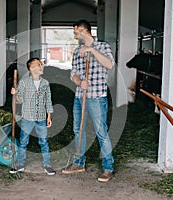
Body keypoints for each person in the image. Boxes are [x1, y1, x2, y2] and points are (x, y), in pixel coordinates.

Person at [62, 19, 115, 182]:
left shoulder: (103, 46)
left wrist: (91, 50)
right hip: (80, 96)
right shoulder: (77, 50)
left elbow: (109, 64)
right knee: (78, 130)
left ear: (84, 31)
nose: (75, 35)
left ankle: (108, 167)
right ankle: (79, 163)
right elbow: (74, 73)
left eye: (76, 32)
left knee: (101, 132)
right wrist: (79, 82)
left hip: (97, 97)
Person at [9, 57, 56, 176]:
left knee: (44, 141)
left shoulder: (45, 83)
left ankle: (47, 164)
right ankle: (20, 164)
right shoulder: (24, 82)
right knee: (23, 141)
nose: (41, 66)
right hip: (27, 118)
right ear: (31, 68)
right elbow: (19, 100)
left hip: (41, 118)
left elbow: (48, 100)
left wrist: (49, 116)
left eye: (41, 64)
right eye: (38, 65)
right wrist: (15, 94)